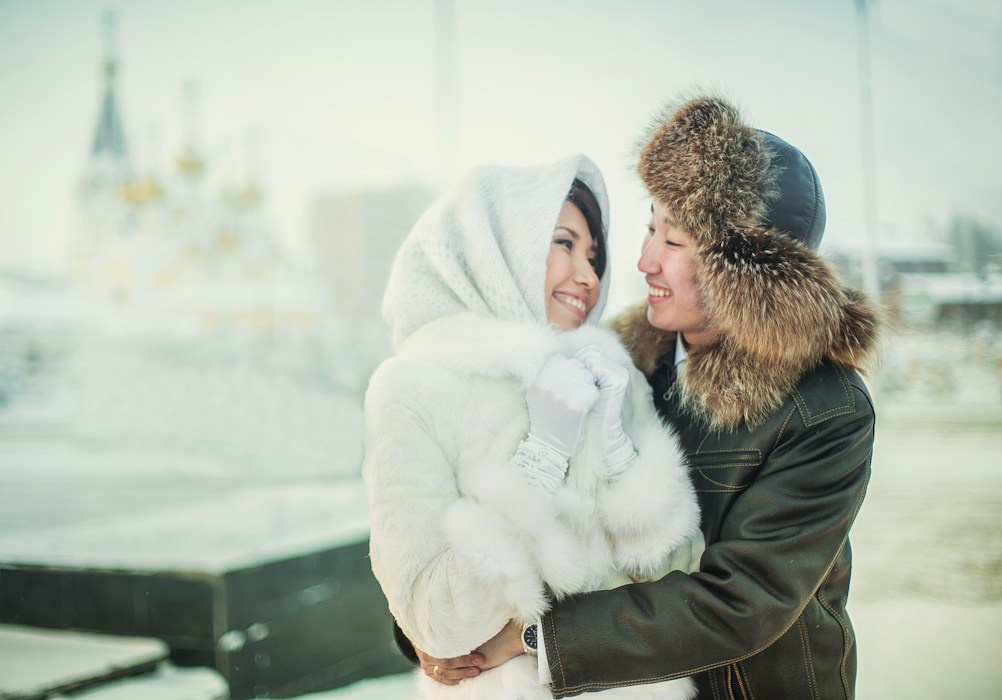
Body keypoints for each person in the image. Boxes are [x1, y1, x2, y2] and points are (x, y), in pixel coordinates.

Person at [419, 95, 883, 699]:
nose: (643, 261)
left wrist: (539, 639)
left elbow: (744, 600)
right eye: (649, 228)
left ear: (743, 276)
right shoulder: (612, 364)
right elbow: (508, 506)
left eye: (676, 240)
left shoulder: (825, 408)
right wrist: (440, 629)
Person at [362, 155, 704, 699]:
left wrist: (619, 454)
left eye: (594, 256)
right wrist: (540, 459)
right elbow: (435, 623)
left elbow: (682, 578)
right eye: (564, 243)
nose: (588, 276)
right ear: (497, 248)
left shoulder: (609, 374)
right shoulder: (412, 388)